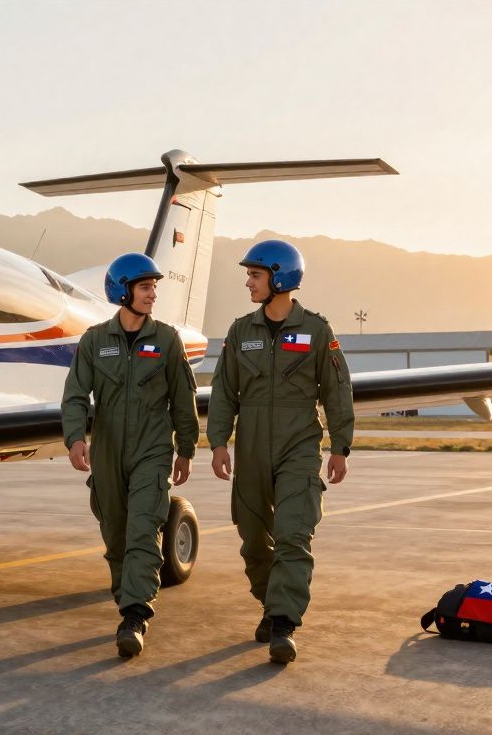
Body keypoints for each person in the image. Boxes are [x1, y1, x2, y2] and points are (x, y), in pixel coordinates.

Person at [206, 239, 354, 665]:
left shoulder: (317, 331)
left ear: (280, 277)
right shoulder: (240, 332)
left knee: (293, 533)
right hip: (251, 446)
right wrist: (218, 442)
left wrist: (340, 446)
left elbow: (337, 390)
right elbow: (223, 392)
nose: (248, 283)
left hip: (299, 445)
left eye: (254, 275)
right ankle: (271, 605)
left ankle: (284, 623)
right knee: (253, 540)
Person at [61, 252, 198, 658]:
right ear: (123, 292)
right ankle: (127, 599)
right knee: (116, 535)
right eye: (145, 287)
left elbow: (183, 400)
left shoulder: (168, 340)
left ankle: (135, 615)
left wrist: (186, 448)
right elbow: (74, 395)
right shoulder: (94, 340)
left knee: (142, 530)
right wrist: (75, 438)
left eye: (154, 287)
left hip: (151, 449)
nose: (153, 294)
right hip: (107, 452)